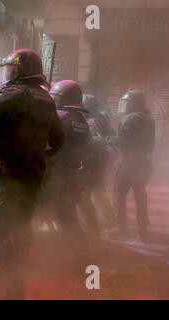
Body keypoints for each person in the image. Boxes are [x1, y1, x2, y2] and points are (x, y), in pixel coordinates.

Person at [0, 49, 64, 298]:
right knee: (22, 224)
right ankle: (20, 267)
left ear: (19, 71)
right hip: (34, 175)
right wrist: (37, 155)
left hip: (9, 175)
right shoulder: (46, 97)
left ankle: (12, 283)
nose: (6, 75)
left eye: (9, 70)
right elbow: (58, 141)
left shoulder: (11, 94)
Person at [43, 80, 92, 262]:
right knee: (70, 221)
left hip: (51, 176)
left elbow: (45, 144)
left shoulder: (59, 117)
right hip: (69, 177)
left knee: (26, 214)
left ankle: (27, 259)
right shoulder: (82, 121)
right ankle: (83, 259)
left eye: (54, 97)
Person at [99, 90, 155, 240]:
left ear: (135, 104)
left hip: (131, 162)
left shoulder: (130, 118)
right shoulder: (148, 118)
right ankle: (142, 229)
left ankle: (120, 226)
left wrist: (103, 140)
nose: (124, 105)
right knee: (140, 194)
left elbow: (121, 140)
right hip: (144, 163)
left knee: (118, 192)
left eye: (127, 102)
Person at [78, 94, 115, 234]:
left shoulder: (92, 121)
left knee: (84, 194)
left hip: (91, 161)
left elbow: (89, 142)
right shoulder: (100, 117)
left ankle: (92, 228)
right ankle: (111, 219)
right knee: (99, 191)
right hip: (99, 160)